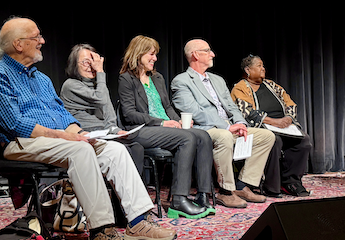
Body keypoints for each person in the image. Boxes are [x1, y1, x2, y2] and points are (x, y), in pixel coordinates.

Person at [0, 17, 175, 240]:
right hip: (18, 143)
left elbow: (62, 115)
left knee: (113, 149)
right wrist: (66, 138)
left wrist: (81, 134)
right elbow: (15, 124)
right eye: (36, 37)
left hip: (56, 140)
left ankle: (138, 221)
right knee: (80, 151)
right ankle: (101, 232)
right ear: (18, 44)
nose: (42, 41)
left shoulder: (41, 79)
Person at [118, 35, 222, 216]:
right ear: (138, 54)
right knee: (188, 138)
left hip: (165, 129)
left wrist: (179, 121)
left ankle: (202, 195)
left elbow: (167, 107)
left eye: (156, 54)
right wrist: (162, 122)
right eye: (151, 54)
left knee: (203, 135)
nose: (155, 58)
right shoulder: (126, 79)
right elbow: (129, 114)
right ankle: (179, 200)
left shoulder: (156, 77)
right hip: (140, 130)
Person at [171, 39, 275, 205]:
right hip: (205, 130)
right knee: (224, 136)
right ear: (196, 55)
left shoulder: (217, 80)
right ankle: (226, 191)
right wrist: (226, 126)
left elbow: (232, 107)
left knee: (266, 136)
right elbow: (194, 112)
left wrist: (241, 124)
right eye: (207, 51)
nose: (212, 54)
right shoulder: (181, 81)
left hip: (229, 127)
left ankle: (242, 185)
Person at [230, 55, 312, 197]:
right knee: (275, 140)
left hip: (283, 125)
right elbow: (246, 112)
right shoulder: (240, 88)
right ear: (248, 70)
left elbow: (290, 103)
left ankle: (291, 182)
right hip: (261, 127)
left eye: (263, 66)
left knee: (303, 141)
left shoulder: (272, 85)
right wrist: (273, 122)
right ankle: (272, 185)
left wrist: (288, 118)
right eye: (259, 66)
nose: (263, 69)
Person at [59, 43, 145, 176]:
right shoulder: (70, 85)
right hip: (85, 135)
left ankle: (130, 194)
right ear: (74, 64)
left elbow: (109, 114)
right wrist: (100, 71)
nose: (92, 66)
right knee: (124, 150)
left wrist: (116, 130)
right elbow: (101, 99)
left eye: (94, 62)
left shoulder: (99, 86)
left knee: (137, 148)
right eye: (86, 62)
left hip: (103, 134)